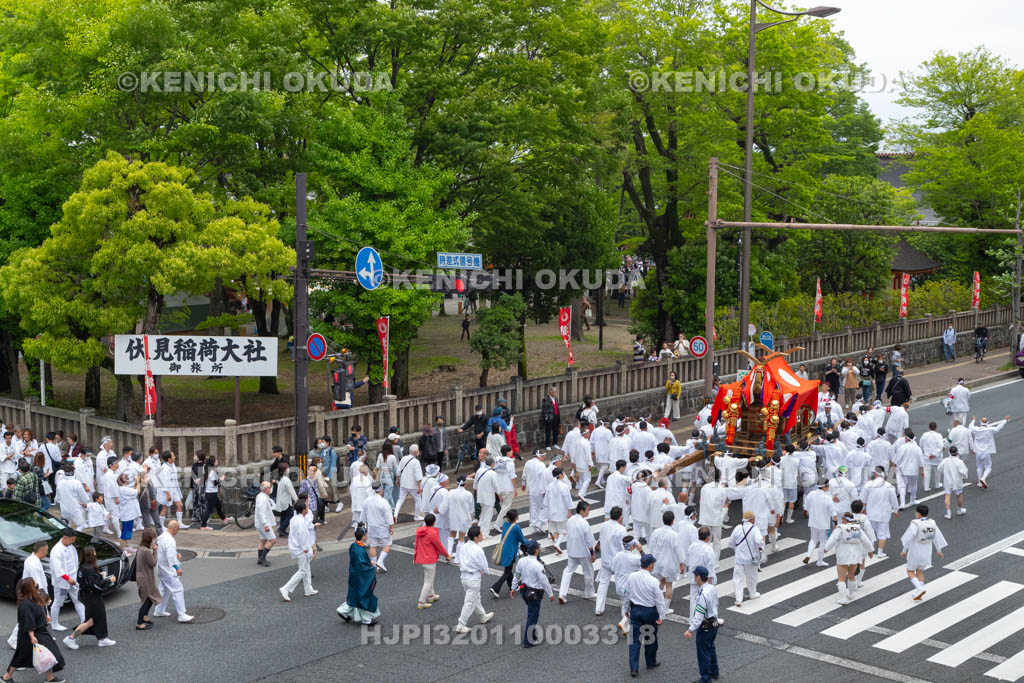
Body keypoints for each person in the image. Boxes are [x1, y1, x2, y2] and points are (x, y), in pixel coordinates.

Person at [5, 578, 66, 683]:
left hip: (39, 632)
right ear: (30, 588)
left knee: (46, 654)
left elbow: (40, 609)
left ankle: (50, 678)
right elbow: (29, 621)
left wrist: (45, 616)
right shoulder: (26, 604)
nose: (37, 585)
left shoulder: (31, 598)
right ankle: (7, 677)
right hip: (32, 633)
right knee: (21, 656)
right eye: (34, 584)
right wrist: (32, 636)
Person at [61, 546, 115, 649]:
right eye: (94, 552)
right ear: (91, 554)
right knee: (91, 620)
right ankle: (71, 638)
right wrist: (109, 580)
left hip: (86, 596)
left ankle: (102, 638)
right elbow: (96, 585)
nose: (95, 553)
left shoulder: (82, 567)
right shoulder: (89, 569)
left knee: (96, 618)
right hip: (93, 597)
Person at [624, 553, 664, 677]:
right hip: (650, 612)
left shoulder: (632, 576)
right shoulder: (653, 581)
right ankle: (651, 662)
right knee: (650, 637)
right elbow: (659, 600)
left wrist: (626, 608)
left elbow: (627, 594)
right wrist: (661, 616)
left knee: (634, 640)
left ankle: (634, 668)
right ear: (650, 565)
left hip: (635, 610)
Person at [824, 511, 874, 605]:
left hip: (843, 556)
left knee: (841, 578)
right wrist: (870, 550)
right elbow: (865, 540)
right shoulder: (857, 528)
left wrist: (826, 548)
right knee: (851, 576)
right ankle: (850, 594)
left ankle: (843, 599)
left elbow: (832, 540)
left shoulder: (840, 528)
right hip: (854, 556)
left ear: (844, 519)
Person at [510, 539, 553, 648]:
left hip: (524, 590)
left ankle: (532, 635)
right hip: (534, 593)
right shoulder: (538, 565)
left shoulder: (522, 561)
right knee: (532, 615)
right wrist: (550, 594)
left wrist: (513, 588)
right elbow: (544, 581)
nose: (539, 549)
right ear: (536, 550)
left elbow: (517, 575)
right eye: (538, 547)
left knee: (532, 612)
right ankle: (528, 640)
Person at [899, 504, 947, 600]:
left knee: (910, 571)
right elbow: (936, 537)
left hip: (915, 551)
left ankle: (920, 589)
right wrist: (939, 550)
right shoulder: (932, 523)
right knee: (920, 571)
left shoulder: (915, 524)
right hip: (927, 551)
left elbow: (909, 538)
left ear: (918, 513)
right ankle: (918, 592)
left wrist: (904, 550)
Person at [337, 526, 381, 625]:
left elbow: (360, 562)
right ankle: (366, 619)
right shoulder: (360, 550)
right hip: (360, 577)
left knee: (355, 595)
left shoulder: (354, 546)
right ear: (363, 536)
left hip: (354, 574)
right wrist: (372, 568)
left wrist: (368, 562)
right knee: (363, 596)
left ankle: (342, 610)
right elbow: (362, 565)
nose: (367, 535)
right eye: (366, 534)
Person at [454, 525, 494, 633]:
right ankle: (461, 624)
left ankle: (482, 616)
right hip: (473, 578)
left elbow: (459, 560)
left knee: (475, 598)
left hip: (464, 576)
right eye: (480, 534)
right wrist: (485, 571)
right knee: (469, 602)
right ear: (476, 537)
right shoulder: (478, 550)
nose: (482, 535)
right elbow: (483, 565)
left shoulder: (464, 546)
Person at [684, 565, 720, 683]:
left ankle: (705, 678)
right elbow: (715, 605)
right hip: (714, 623)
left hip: (705, 627)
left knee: (703, 652)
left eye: (695, 575)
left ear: (699, 577)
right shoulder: (712, 588)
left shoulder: (702, 595)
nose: (694, 577)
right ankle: (714, 671)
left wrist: (691, 630)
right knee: (711, 647)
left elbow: (699, 615)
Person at [153, 521, 193, 622]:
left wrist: (176, 553)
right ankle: (181, 614)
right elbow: (170, 556)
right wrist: (177, 568)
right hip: (168, 570)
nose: (178, 530)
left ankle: (159, 610)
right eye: (178, 528)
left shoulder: (162, 536)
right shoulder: (170, 540)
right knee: (177, 589)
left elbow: (161, 548)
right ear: (175, 528)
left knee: (164, 589)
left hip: (161, 567)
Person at [559, 501, 596, 604]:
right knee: (588, 573)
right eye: (587, 510)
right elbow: (589, 540)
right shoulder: (584, 523)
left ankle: (562, 593)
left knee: (568, 571)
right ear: (582, 510)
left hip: (572, 550)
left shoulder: (570, 520)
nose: (588, 512)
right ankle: (589, 593)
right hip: (583, 552)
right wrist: (592, 553)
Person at [48, 529, 85, 632]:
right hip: (62, 582)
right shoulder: (57, 550)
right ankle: (54, 624)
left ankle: (84, 620)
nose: (73, 542)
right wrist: (68, 579)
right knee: (58, 602)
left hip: (73, 580)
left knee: (78, 600)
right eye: (71, 539)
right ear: (65, 537)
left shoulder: (71, 547)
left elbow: (74, 563)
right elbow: (57, 568)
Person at [279, 501, 317, 601]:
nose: (308, 507)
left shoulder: (294, 519)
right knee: (303, 570)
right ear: (304, 509)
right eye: (307, 506)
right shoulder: (300, 521)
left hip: (297, 547)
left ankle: (308, 589)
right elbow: (302, 536)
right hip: (301, 549)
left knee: (306, 568)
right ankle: (286, 588)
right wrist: (306, 549)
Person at [860, 466, 899, 558]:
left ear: (875, 474)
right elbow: (894, 501)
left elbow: (863, 499)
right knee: (883, 533)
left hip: (871, 512)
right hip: (884, 513)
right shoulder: (889, 486)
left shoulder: (868, 485)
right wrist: (896, 511)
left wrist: (863, 509)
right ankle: (880, 552)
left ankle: (871, 549)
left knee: (870, 531)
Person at [414, 513, 451, 609]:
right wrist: (447, 555)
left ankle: (431, 596)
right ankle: (421, 602)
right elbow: (439, 545)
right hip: (430, 559)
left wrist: (415, 557)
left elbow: (417, 544)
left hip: (422, 559)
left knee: (429, 579)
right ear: (434, 522)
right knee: (428, 581)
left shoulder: (420, 531)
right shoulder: (432, 533)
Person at [729, 511, 763, 607]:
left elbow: (731, 543)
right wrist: (761, 548)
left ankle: (738, 599)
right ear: (752, 519)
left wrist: (737, 550)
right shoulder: (755, 529)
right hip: (751, 559)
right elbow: (759, 541)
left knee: (738, 578)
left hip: (739, 558)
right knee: (752, 577)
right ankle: (752, 593)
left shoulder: (738, 528)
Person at [490, 509, 526, 599]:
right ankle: (495, 587)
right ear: (515, 518)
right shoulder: (516, 527)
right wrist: (530, 541)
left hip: (504, 550)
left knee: (508, 570)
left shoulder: (505, 524)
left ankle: (512, 587)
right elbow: (522, 540)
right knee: (507, 572)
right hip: (510, 552)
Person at [969, 415, 1010, 489]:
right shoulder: (991, 430)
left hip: (978, 452)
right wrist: (1005, 420)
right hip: (986, 452)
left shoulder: (976, 429)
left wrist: (973, 420)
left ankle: (979, 482)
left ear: (980, 422)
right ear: (987, 423)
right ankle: (983, 478)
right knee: (988, 467)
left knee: (979, 467)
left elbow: (970, 427)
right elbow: (999, 427)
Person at [362, 482, 395, 573]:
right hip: (383, 527)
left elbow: (363, 517)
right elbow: (388, 516)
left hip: (372, 527)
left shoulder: (367, 501)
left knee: (373, 545)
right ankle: (380, 562)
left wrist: (366, 526)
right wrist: (391, 526)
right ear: (381, 490)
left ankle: (374, 565)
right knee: (387, 544)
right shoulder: (383, 502)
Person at [134, 527, 162, 630]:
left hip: (143, 577)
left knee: (151, 597)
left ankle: (144, 617)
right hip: (145, 578)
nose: (154, 539)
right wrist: (155, 551)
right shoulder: (146, 551)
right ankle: (139, 623)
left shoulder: (140, 548)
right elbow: (153, 563)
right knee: (146, 600)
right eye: (153, 538)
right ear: (150, 539)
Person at [803, 481, 835, 567]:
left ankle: (808, 555)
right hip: (823, 523)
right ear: (825, 487)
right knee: (822, 541)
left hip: (812, 521)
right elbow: (833, 513)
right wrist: (835, 523)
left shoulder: (811, 494)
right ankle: (820, 561)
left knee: (813, 539)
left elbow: (808, 506)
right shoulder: (827, 498)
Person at [546, 467, 573, 554]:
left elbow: (546, 500)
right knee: (563, 531)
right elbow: (567, 500)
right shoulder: (564, 486)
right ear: (560, 475)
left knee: (555, 530)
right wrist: (569, 511)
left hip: (551, 511)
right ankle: (557, 544)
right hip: (561, 511)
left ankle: (557, 548)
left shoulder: (550, 485)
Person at [394, 445, 424, 521]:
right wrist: (419, 486)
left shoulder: (404, 458)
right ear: (415, 452)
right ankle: (416, 516)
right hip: (413, 485)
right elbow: (418, 476)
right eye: (417, 451)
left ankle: (395, 514)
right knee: (418, 500)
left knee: (400, 499)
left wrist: (397, 480)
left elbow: (398, 471)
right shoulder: (416, 461)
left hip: (403, 483)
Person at [522, 450, 549, 535]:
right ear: (539, 456)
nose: (544, 457)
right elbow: (544, 477)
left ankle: (534, 525)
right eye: (543, 455)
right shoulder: (541, 465)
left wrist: (523, 484)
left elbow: (524, 475)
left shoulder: (528, 463)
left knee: (534, 507)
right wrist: (546, 489)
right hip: (540, 489)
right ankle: (540, 523)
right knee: (545, 507)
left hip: (531, 489)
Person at [938, 446, 968, 519]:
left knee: (947, 496)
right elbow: (963, 472)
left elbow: (939, 468)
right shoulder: (959, 462)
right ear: (957, 452)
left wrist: (944, 473)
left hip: (948, 481)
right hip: (957, 481)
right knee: (959, 496)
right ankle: (959, 510)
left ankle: (948, 513)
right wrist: (965, 477)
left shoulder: (945, 460)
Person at [255, 481, 276, 567]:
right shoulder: (263, 499)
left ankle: (260, 559)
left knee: (262, 540)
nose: (270, 489)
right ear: (266, 489)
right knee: (273, 540)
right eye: (269, 487)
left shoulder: (260, 496)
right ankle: (262, 558)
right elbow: (262, 512)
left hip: (260, 523)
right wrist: (266, 524)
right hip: (264, 524)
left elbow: (264, 511)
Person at [920, 422, 945, 492]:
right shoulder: (938, 435)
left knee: (927, 472)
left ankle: (926, 487)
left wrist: (925, 451)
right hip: (936, 457)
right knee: (937, 471)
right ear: (936, 427)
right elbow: (940, 446)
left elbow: (921, 444)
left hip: (927, 456)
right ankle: (937, 484)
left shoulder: (924, 435)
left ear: (929, 427)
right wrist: (934, 454)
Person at [275, 462, 297, 537]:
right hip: (285, 501)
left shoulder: (281, 478)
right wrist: (296, 499)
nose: (289, 469)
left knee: (283, 515)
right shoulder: (286, 480)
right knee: (290, 515)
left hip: (281, 501)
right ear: (284, 470)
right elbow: (291, 490)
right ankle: (281, 529)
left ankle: (282, 531)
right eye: (287, 468)